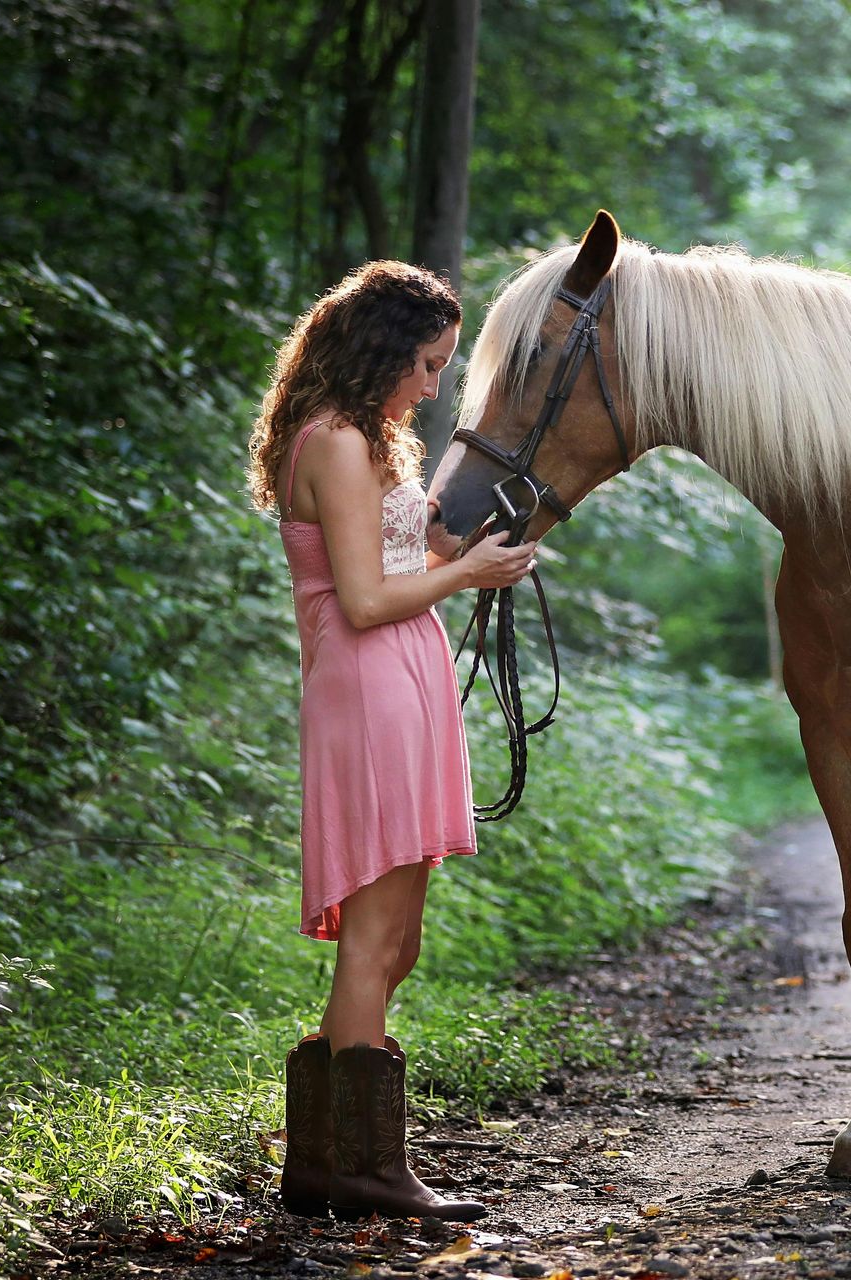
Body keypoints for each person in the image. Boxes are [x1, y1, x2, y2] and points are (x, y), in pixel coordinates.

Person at [245, 261, 534, 1221]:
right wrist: (465, 578)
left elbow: (403, 554)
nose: (433, 385)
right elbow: (364, 600)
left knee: (397, 940)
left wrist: (476, 553)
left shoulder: (377, 439)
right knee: (372, 941)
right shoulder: (329, 442)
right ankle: (359, 1167)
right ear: (381, 352)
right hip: (369, 684)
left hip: (403, 681)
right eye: (426, 363)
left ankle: (329, 1156)